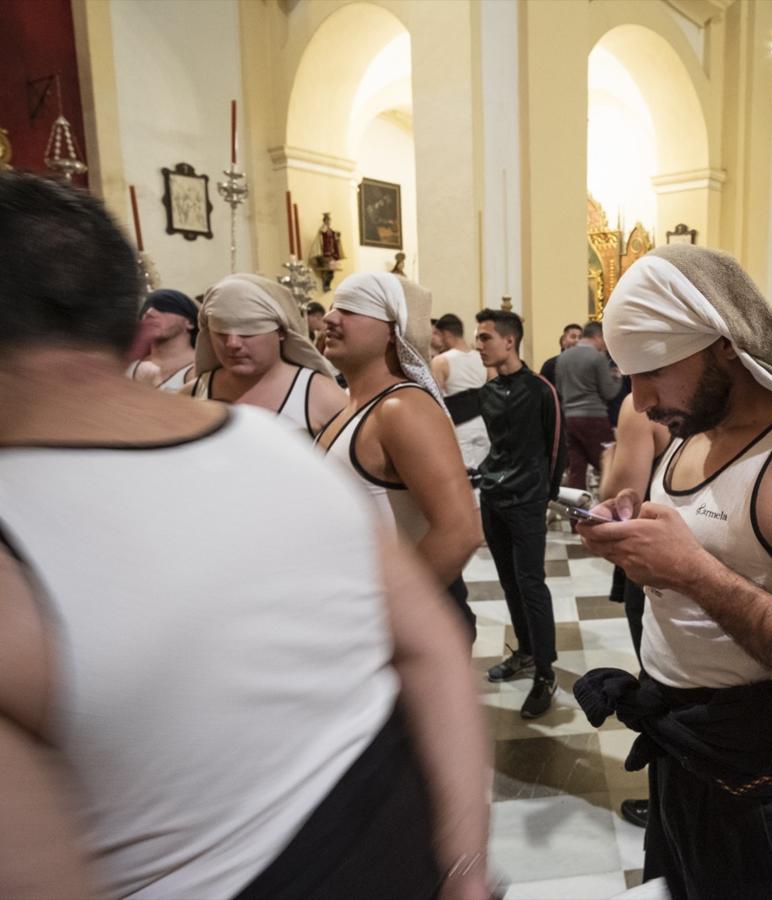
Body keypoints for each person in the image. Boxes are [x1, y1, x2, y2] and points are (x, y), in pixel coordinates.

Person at [0, 171, 490, 899]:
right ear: (135, 328)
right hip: (399, 840)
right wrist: (464, 871)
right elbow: (431, 652)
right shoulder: (264, 443)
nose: (329, 325)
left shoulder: (375, 409)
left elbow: (455, 542)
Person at [574, 246, 772, 899]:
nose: (638, 402)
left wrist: (694, 573)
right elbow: (717, 541)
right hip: (684, 756)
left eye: (652, 373)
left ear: (721, 346)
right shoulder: (691, 433)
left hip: (762, 793)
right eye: (627, 376)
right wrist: (638, 528)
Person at [317, 273, 483, 640]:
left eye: (351, 308)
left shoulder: (402, 408)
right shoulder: (352, 408)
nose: (330, 317)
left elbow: (461, 530)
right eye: (333, 306)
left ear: (395, 329)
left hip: (403, 626)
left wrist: (381, 621)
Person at [475, 308, 566, 719]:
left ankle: (546, 672)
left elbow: (556, 447)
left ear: (509, 341)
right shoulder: (488, 391)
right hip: (493, 500)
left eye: (485, 338)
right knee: (510, 582)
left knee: (531, 583)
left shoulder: (542, 389)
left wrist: (542, 496)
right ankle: (527, 652)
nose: (479, 345)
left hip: (527, 502)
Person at [596, 393, 672, 830]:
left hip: (658, 565)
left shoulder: (641, 404)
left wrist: (610, 459)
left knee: (662, 684)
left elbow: (619, 499)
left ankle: (664, 802)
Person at [190, 275, 347, 438]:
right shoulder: (193, 393)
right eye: (221, 333)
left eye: (248, 333)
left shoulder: (323, 397)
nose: (232, 343)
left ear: (280, 332)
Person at [556, 321, 624, 489]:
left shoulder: (563, 357)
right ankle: (612, 508)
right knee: (607, 462)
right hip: (594, 417)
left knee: (576, 469)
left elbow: (559, 388)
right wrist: (617, 378)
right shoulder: (597, 357)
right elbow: (608, 393)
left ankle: (577, 513)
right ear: (598, 336)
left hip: (569, 418)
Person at [430, 313, 490, 470]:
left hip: (459, 426)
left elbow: (433, 398)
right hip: (483, 424)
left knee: (465, 477)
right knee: (483, 474)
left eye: (437, 334)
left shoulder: (441, 361)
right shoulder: (482, 358)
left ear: (446, 334)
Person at [125, 289, 199, 390]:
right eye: (145, 310)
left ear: (190, 322)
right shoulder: (127, 367)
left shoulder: (204, 370)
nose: (149, 312)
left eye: (163, 308)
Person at [539, 322, 582, 388]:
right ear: (563, 341)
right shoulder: (550, 365)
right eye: (573, 337)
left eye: (580, 338)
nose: (577, 340)